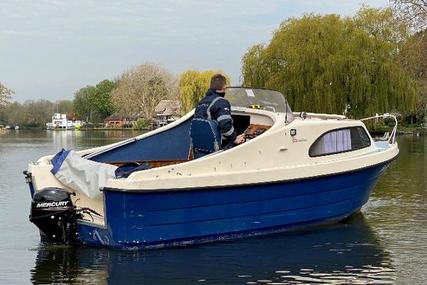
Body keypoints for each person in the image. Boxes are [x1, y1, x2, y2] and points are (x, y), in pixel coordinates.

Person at [191, 74, 245, 158]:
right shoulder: (221, 102)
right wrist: (234, 138)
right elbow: (224, 124)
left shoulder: (201, 102)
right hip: (215, 152)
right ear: (224, 87)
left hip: (200, 150)